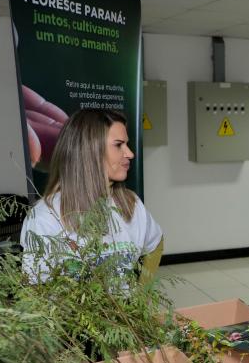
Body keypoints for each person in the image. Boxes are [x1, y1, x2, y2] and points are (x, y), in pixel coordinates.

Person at [20, 108, 163, 285]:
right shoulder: (45, 217)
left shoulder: (131, 204)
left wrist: (142, 295)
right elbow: (35, 290)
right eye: (119, 145)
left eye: (127, 144)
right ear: (90, 150)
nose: (130, 154)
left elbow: (155, 243)